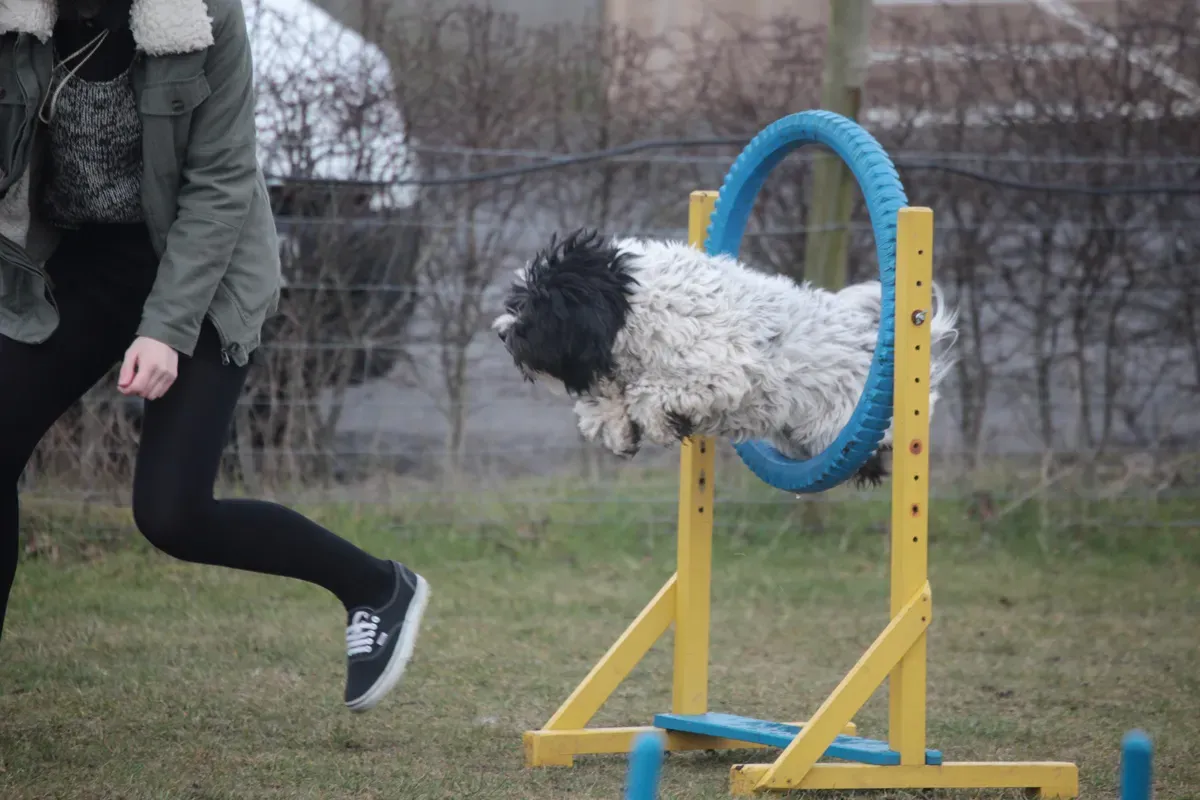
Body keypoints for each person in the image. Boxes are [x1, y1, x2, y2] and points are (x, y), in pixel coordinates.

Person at [0, 0, 429, 713]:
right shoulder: (16, 17)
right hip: (76, 261)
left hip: (202, 264)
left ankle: (377, 586)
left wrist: (166, 330)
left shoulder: (200, 17)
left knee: (173, 515)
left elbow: (223, 181)